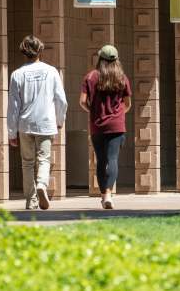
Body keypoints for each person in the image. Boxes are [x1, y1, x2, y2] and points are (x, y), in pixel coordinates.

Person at [8, 36, 68, 210]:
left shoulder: (17, 74)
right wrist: (59, 120)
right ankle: (42, 184)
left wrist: (12, 132)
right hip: (46, 122)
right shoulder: (51, 71)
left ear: (23, 52)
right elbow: (61, 100)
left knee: (27, 162)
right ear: (40, 50)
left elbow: (13, 106)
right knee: (44, 159)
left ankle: (31, 199)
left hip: (25, 124)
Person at [80, 45, 132, 209]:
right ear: (116, 60)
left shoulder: (90, 77)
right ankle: (109, 194)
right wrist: (118, 115)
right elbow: (128, 104)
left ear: (100, 59)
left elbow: (82, 101)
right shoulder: (122, 78)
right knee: (113, 159)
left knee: (101, 161)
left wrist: (93, 112)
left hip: (97, 125)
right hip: (116, 125)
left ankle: (104, 197)